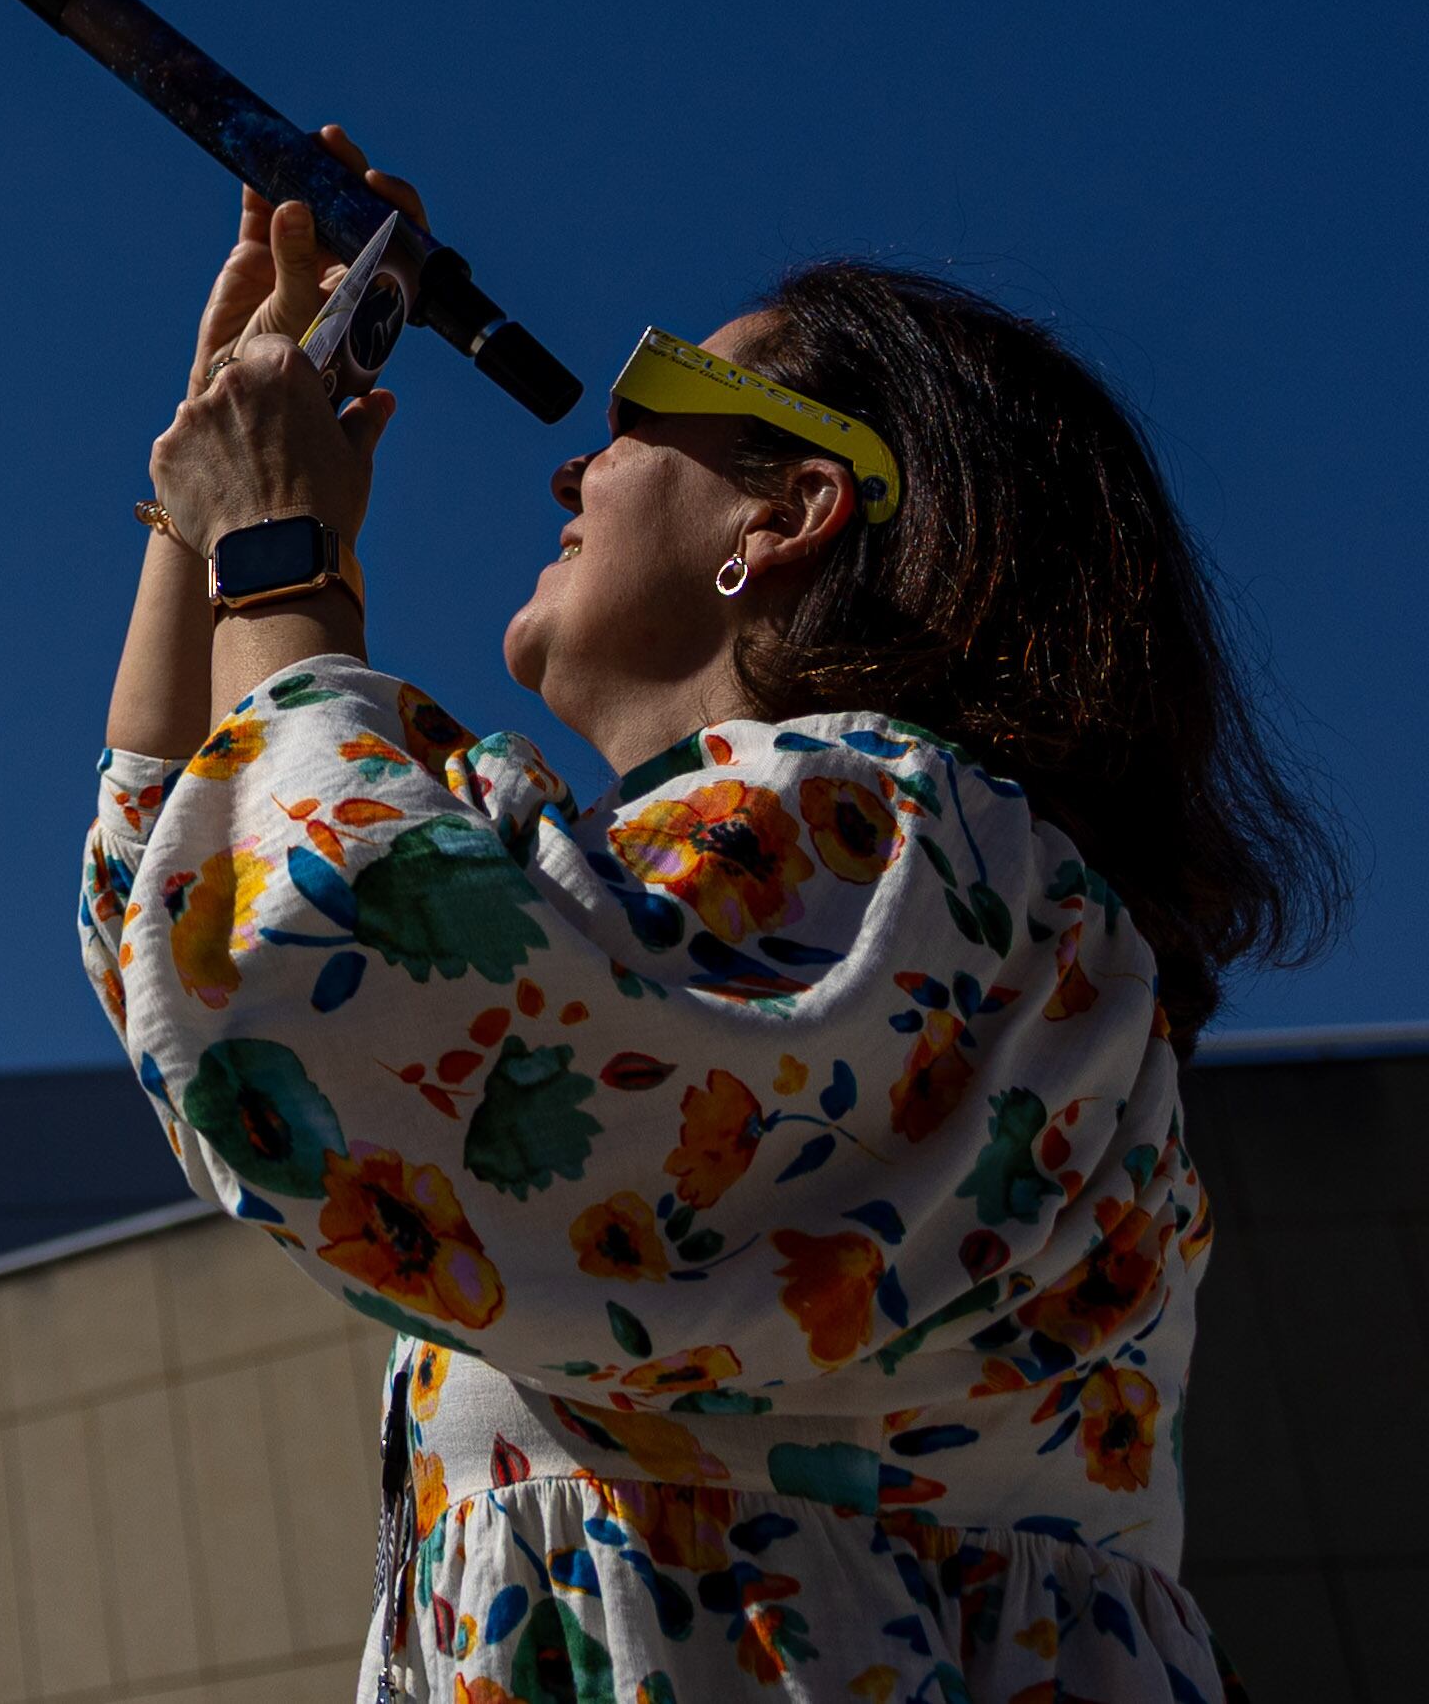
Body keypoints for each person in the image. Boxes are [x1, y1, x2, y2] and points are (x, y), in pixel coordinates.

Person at [82, 131, 1338, 1704]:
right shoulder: (851, 888)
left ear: (800, 504)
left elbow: (325, 967)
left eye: (639, 411)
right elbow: (184, 911)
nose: (570, 466)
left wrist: (280, 551)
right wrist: (202, 511)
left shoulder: (902, 837)